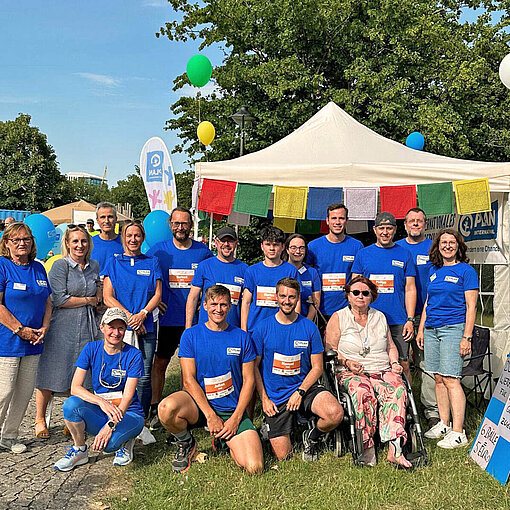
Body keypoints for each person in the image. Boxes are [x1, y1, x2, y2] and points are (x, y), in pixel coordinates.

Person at [158, 285, 263, 474]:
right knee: (166, 408)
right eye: (214, 304)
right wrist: (210, 416)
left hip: (230, 408)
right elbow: (188, 380)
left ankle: (223, 440)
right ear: (204, 305)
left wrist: (236, 418)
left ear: (230, 307)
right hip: (199, 405)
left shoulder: (241, 337)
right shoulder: (191, 335)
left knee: (254, 467)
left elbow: (249, 381)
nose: (219, 309)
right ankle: (185, 441)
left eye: (223, 305)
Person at [325, 276, 412, 468]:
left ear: (372, 296)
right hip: (351, 370)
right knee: (363, 392)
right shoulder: (339, 317)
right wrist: (347, 362)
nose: (361, 296)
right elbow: (330, 349)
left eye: (366, 293)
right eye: (356, 292)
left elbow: (390, 346)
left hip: (381, 368)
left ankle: (395, 448)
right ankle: (366, 447)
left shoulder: (379, 317)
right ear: (348, 295)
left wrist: (395, 362)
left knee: (397, 389)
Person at [253, 277, 343, 461]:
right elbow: (253, 368)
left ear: (298, 298)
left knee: (335, 414)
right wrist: (264, 399)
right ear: (276, 297)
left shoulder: (309, 327)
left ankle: (312, 437)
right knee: (284, 457)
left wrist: (300, 392)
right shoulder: (262, 328)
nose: (287, 301)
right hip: (276, 396)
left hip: (304, 388)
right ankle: (270, 423)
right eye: (283, 296)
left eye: (292, 297)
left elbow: (317, 367)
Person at [53, 308, 145, 471]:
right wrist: (100, 402)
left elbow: (128, 397)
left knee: (110, 445)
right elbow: (75, 387)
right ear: (102, 327)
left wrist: (109, 426)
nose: (115, 333)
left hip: (129, 412)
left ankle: (127, 440)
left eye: (121, 328)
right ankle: (79, 450)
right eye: (111, 327)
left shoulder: (134, 354)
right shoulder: (91, 348)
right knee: (70, 405)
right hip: (103, 409)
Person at [146, 207, 212, 425]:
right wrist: (155, 302)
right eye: (176, 223)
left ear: (191, 225)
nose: (180, 227)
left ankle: (192, 406)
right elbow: (147, 279)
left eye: (184, 223)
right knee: (160, 363)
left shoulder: (203, 252)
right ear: (170, 225)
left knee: (196, 366)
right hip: (167, 319)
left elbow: (213, 282)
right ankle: (155, 407)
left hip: (194, 322)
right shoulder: (158, 251)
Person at [35, 226, 100, 439]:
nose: (80, 245)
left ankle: (70, 417)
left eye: (83, 241)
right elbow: (59, 299)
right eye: (75, 241)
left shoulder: (94, 266)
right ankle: (39, 419)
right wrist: (89, 300)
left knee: (79, 374)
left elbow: (98, 295)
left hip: (87, 325)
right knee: (51, 372)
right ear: (68, 244)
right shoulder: (60, 266)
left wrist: (96, 300)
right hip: (62, 325)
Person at [416, 229, 478, 448]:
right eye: (444, 242)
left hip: (453, 329)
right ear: (438, 246)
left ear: (459, 246)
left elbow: (471, 306)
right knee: (438, 378)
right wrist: (421, 328)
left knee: (452, 379)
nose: (448, 246)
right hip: (431, 329)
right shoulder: (433, 271)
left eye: (452, 242)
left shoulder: (466, 271)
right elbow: (427, 302)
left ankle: (458, 432)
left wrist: (466, 337)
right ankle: (443, 422)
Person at [0, 222, 52, 453]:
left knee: (23, 393)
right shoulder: (2, 266)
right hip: (8, 341)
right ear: (6, 244)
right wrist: (19, 329)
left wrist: (44, 327)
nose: (22, 243)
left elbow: (48, 301)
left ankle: (9, 436)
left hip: (34, 342)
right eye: (16, 240)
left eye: (26, 239)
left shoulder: (38, 268)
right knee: (4, 391)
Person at [102, 221, 162, 418]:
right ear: (123, 238)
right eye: (129, 236)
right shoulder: (113, 262)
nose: (133, 239)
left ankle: (141, 418)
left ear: (142, 238)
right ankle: (117, 414)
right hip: (120, 328)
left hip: (147, 326)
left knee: (144, 376)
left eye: (137, 235)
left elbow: (157, 295)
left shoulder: (152, 262)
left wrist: (142, 315)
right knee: (119, 373)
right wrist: (130, 318)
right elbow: (107, 296)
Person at [352, 212, 417, 380]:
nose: (385, 232)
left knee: (402, 364)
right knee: (369, 363)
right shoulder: (363, 254)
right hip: (369, 319)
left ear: (395, 230)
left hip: (397, 320)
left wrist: (410, 319)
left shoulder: (405, 254)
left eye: (389, 228)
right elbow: (354, 287)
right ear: (374, 230)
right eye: (381, 228)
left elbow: (410, 288)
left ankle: (407, 405)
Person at [396, 208, 439, 429]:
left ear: (424, 224)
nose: (415, 224)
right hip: (400, 316)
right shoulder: (396, 248)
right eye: (411, 221)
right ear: (405, 225)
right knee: (400, 362)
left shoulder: (433, 247)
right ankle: (405, 407)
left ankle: (432, 411)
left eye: (419, 221)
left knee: (426, 362)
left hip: (427, 313)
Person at [307, 203, 363, 325]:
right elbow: (306, 276)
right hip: (319, 310)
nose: (337, 222)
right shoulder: (313, 246)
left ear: (346, 221)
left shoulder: (357, 246)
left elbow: (358, 279)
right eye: (334, 218)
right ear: (327, 221)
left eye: (341, 218)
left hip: (347, 310)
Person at [241, 226, 300, 335]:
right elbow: (246, 302)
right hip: (255, 329)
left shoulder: (291, 270)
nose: (272, 248)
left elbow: (297, 300)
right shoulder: (252, 271)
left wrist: (294, 327)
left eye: (276, 245)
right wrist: (243, 330)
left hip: (283, 329)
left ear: (282, 247)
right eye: (268, 244)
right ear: (262, 246)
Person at [186, 226, 247, 329]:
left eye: (230, 241)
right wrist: (188, 327)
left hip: (232, 331)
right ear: (216, 242)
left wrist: (243, 330)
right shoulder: (204, 266)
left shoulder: (245, 269)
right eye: (223, 240)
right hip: (206, 331)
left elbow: (246, 303)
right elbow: (193, 298)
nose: (226, 244)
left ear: (236, 243)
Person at [283, 234, 321, 321]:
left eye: (301, 248)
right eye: (293, 247)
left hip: (304, 320)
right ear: (287, 250)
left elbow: (316, 301)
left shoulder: (312, 272)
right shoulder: (280, 270)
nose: (298, 251)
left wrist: (306, 323)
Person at [90, 202, 124, 271]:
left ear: (116, 219)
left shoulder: (125, 243)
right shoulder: (89, 243)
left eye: (110, 217)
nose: (106, 221)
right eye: (102, 217)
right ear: (97, 220)